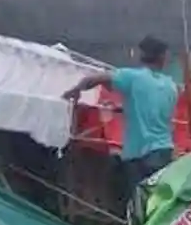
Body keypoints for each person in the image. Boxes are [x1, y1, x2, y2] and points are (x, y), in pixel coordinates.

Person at [65, 36, 177, 195]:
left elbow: (93, 79)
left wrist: (76, 90)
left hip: (138, 153)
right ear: (163, 58)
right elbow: (152, 109)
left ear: (141, 55)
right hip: (164, 151)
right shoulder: (171, 86)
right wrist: (123, 108)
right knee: (157, 198)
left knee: (138, 199)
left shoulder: (133, 77)